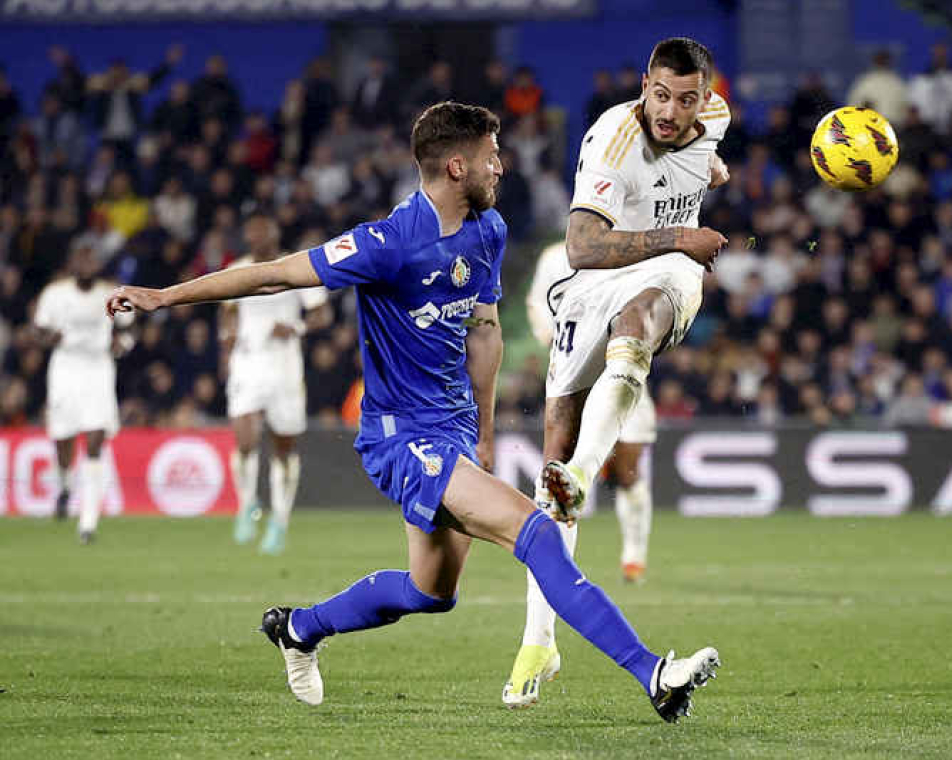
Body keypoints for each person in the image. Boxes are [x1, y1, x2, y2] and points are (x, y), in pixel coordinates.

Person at [107, 101, 720, 722]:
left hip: (452, 428)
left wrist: (481, 430)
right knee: (535, 532)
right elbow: (275, 277)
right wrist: (165, 297)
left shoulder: (489, 231)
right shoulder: (387, 243)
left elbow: (483, 329)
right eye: (490, 156)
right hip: (401, 437)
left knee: (432, 592)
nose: (501, 166)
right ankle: (654, 674)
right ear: (457, 167)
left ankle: (297, 628)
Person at [502, 37, 728, 709]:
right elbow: (580, 244)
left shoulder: (713, 120)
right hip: (591, 277)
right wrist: (681, 233)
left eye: (686, 99)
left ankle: (582, 474)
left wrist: (708, 177)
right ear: (643, 87)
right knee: (551, 467)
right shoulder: (613, 140)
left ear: (705, 99)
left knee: (643, 319)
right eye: (660, 95)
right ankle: (538, 641)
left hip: (662, 277)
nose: (671, 111)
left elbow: (701, 158)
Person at [525, 241, 657, 584]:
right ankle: (558, 562)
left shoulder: (630, 248)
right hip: (572, 373)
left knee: (627, 471)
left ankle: (634, 553)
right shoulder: (554, 257)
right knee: (561, 467)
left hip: (620, 370)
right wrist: (549, 333)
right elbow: (538, 299)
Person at [221, 213, 333, 554]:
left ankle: (279, 522)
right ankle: (246, 506)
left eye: (263, 233)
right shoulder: (235, 272)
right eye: (252, 233)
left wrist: (296, 327)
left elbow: (321, 314)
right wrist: (226, 351)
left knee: (283, 447)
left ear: (274, 235)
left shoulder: (296, 267)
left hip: (285, 366)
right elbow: (227, 315)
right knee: (244, 438)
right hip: (248, 364)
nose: (257, 239)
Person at [35, 241, 131, 542]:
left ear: (98, 264)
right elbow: (38, 330)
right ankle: (64, 486)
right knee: (63, 440)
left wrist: (123, 346)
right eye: (81, 259)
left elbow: (129, 331)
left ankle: (88, 524)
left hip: (98, 370)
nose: (87, 265)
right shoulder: (55, 294)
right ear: (72, 263)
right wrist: (50, 337)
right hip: (64, 370)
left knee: (94, 442)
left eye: (92, 259)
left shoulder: (112, 294)